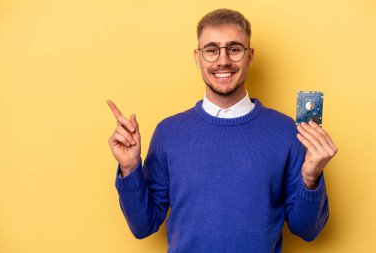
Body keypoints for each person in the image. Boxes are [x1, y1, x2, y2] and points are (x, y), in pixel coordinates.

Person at [107, 8, 338, 253]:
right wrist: (130, 168)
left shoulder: (286, 132)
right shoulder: (168, 132)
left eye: (235, 49)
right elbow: (143, 225)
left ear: (250, 56)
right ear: (198, 57)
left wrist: (311, 178)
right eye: (212, 50)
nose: (223, 60)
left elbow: (308, 231)